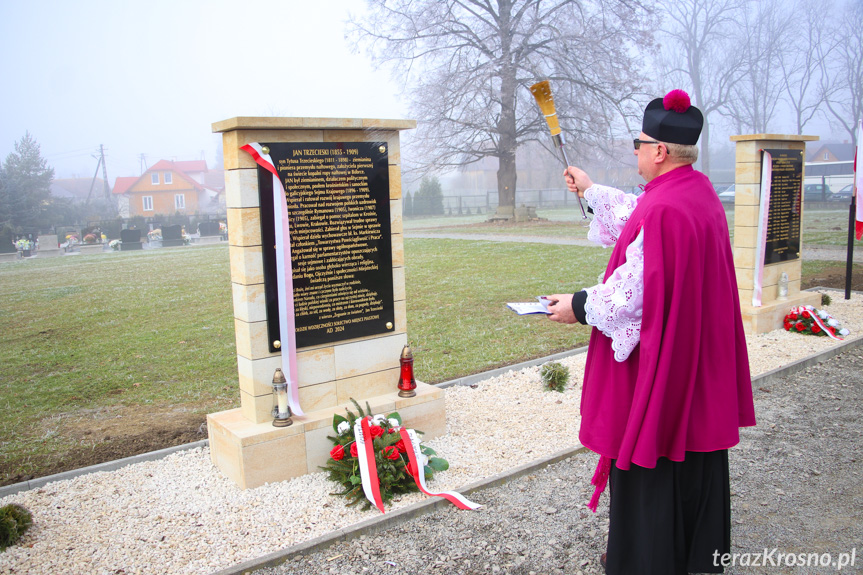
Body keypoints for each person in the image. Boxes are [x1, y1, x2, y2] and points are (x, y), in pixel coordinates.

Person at [545, 89, 756, 575]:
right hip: (696, 362)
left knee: (656, 451)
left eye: (638, 144)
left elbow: (636, 290)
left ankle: (650, 559)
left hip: (664, 370)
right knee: (693, 455)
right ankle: (695, 553)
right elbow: (637, 219)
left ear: (659, 151)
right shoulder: (694, 194)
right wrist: (591, 190)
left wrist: (577, 305)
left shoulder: (666, 209)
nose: (635, 151)